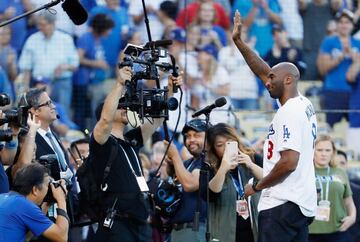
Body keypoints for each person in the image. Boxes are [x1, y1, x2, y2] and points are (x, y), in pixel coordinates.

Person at [232, 10, 318, 242]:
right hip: (299, 205)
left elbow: (289, 162)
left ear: (288, 80)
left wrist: (257, 186)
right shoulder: (304, 103)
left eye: (272, 79)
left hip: (280, 205)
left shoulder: (289, 111)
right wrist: (239, 42)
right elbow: (263, 70)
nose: (266, 82)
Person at [90, 65, 182, 241]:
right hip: (117, 223)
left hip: (140, 222)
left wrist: (170, 90)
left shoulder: (131, 140)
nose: (126, 107)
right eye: (120, 105)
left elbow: (156, 120)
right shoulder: (101, 141)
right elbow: (105, 120)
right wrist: (119, 84)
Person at [204, 123, 262, 242]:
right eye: (220, 145)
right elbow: (211, 194)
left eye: (230, 143)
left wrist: (251, 165)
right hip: (225, 232)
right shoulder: (209, 166)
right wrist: (223, 168)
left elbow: (269, 180)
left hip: (253, 228)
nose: (226, 148)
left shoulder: (251, 157)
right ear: (213, 148)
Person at [0, 163, 69, 242]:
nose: (49, 188)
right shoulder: (24, 206)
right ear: (35, 189)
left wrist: (46, 206)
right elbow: (62, 237)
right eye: (47, 185)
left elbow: (27, 238)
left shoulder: (4, 198)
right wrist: (61, 199)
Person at [165, 119, 208, 242]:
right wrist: (171, 163)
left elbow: (190, 184)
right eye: (188, 136)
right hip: (177, 230)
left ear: (209, 139)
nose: (191, 139)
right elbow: (176, 176)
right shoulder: (190, 162)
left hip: (194, 229)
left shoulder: (208, 161)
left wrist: (175, 156)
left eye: (197, 135)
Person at [308, 135, 356, 242]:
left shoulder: (340, 173)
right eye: (319, 150)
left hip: (338, 231)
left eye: (327, 150)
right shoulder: (305, 173)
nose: (323, 154)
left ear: (333, 152)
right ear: (313, 151)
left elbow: (349, 202)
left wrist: (352, 217)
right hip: (309, 232)